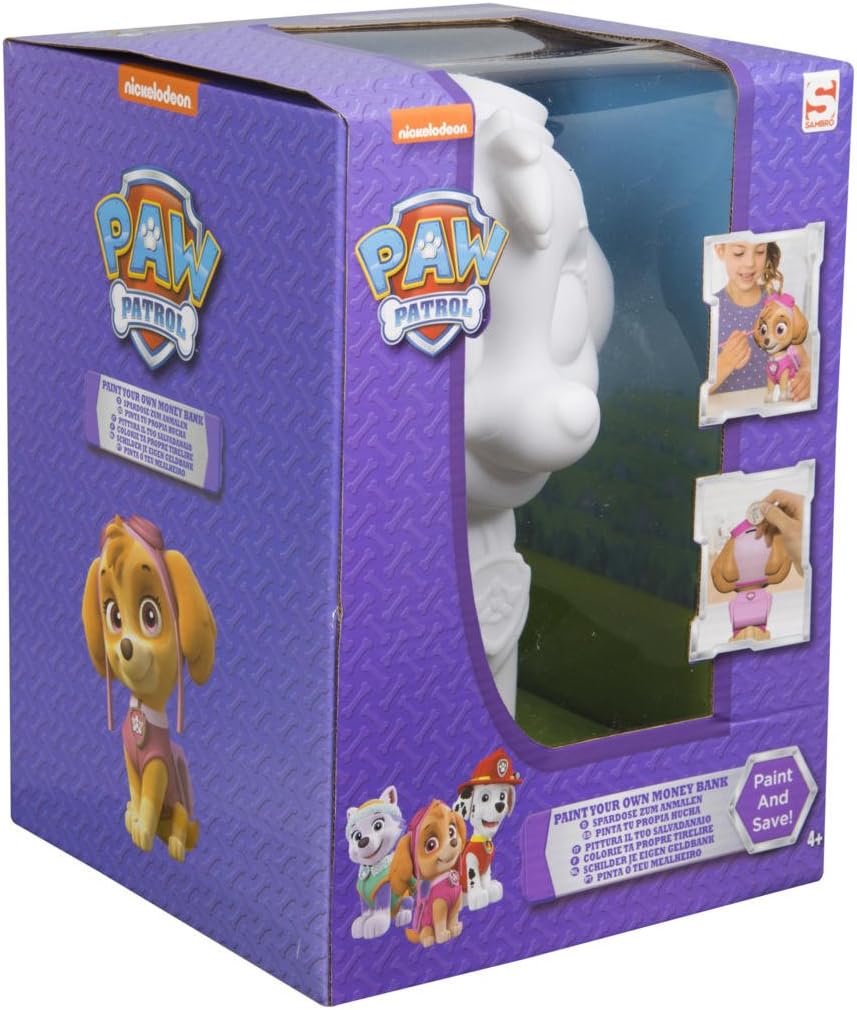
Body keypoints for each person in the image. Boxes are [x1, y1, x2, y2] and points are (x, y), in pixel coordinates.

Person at [710, 241, 810, 399]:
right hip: (728, 413)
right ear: (720, 250)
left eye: (759, 252)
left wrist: (806, 374)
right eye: (739, 253)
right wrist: (724, 364)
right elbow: (695, 391)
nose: (750, 263)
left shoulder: (777, 303)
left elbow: (803, 361)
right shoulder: (710, 309)